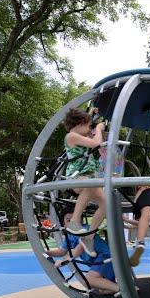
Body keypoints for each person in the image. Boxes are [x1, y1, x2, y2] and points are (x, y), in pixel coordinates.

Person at [45, 206, 119, 295]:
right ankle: (117, 287)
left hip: (106, 257)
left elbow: (80, 248)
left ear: (81, 220)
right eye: (69, 221)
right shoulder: (69, 236)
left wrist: (63, 260)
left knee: (89, 280)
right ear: (64, 224)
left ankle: (122, 289)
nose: (73, 224)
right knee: (100, 289)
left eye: (75, 220)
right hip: (98, 261)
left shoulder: (85, 230)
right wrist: (48, 252)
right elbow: (61, 251)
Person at [63, 108, 106, 257]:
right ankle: (75, 221)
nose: (90, 129)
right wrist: (99, 129)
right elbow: (96, 144)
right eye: (88, 126)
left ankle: (89, 237)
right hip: (77, 177)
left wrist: (92, 115)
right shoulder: (71, 136)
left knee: (106, 203)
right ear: (80, 123)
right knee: (90, 183)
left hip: (90, 178)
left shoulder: (79, 135)